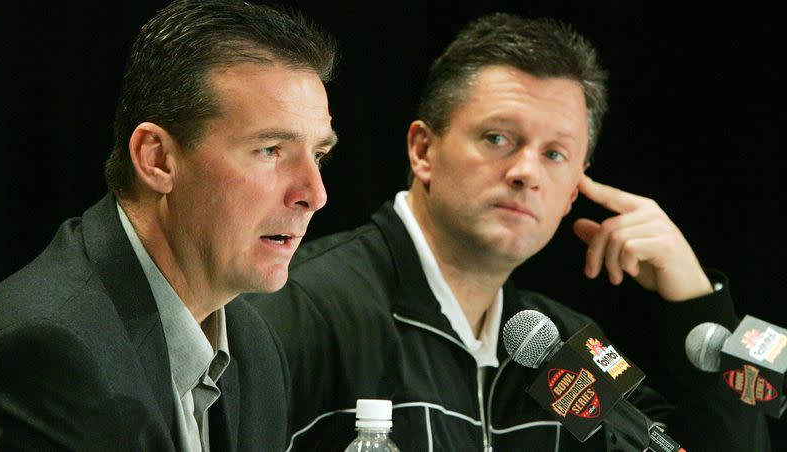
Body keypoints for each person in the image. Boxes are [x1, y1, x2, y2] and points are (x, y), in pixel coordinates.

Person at [250, 13, 770, 451]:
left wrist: (698, 304)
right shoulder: (292, 308)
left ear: (572, 192)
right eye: (498, 138)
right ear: (423, 151)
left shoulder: (562, 347)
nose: (527, 172)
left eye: (555, 154)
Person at [0, 0, 336, 450]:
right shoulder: (46, 352)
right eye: (270, 150)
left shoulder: (253, 346)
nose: (314, 193)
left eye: (320, 155)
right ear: (157, 159)